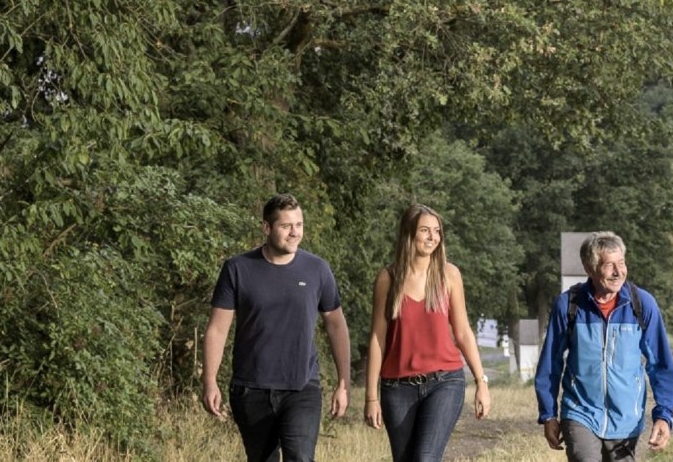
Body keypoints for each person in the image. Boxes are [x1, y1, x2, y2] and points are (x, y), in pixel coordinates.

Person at [202, 193, 351, 462]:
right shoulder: (237, 269)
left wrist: (343, 383)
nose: (295, 233)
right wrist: (210, 381)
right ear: (266, 228)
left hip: (302, 386)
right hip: (251, 388)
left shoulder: (317, 269)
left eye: (299, 225)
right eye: (286, 226)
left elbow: (336, 325)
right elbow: (217, 329)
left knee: (300, 457)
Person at [364, 204, 493, 460]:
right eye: (425, 230)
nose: (433, 237)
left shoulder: (449, 275)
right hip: (397, 387)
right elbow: (377, 338)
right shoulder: (387, 279)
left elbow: (463, 332)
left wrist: (481, 381)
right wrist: (371, 396)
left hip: (444, 382)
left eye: (436, 231)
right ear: (409, 233)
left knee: (424, 458)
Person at [535, 232, 673, 461]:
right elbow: (550, 363)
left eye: (621, 263)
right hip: (580, 412)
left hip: (626, 419)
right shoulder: (569, 305)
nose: (618, 271)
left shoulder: (642, 305)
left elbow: (660, 364)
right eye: (609, 265)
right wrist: (549, 414)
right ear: (589, 268)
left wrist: (664, 415)